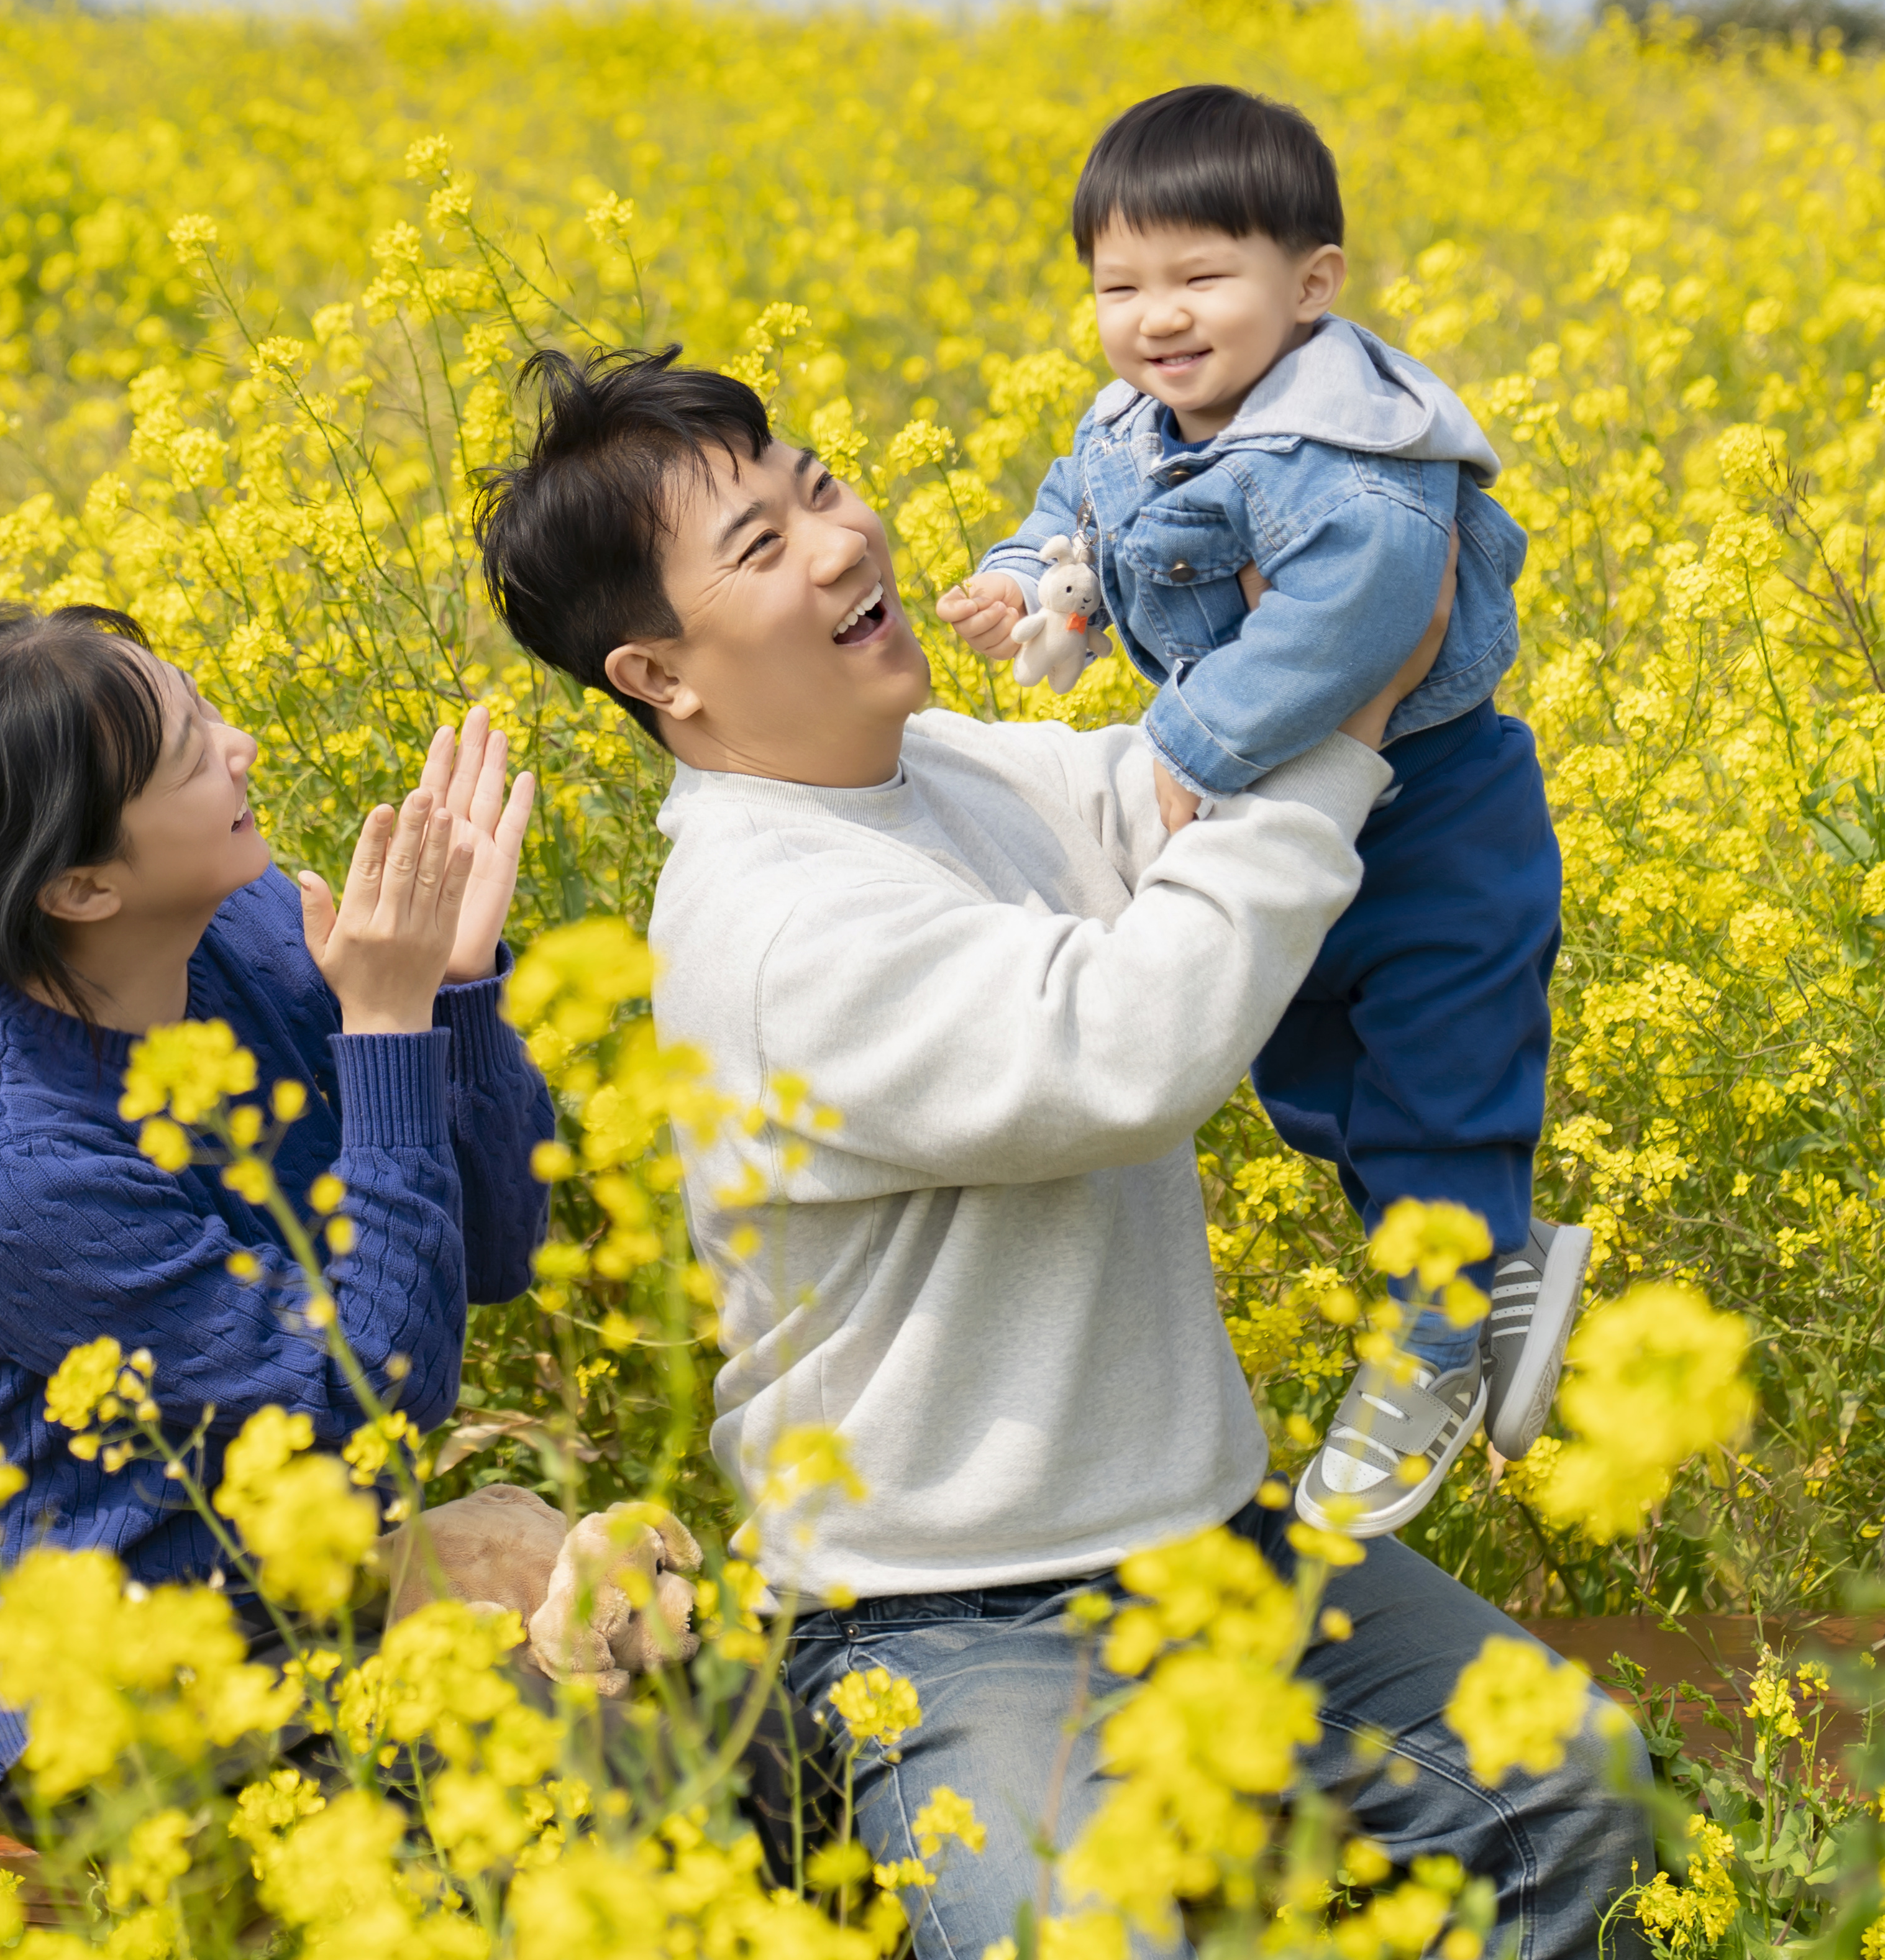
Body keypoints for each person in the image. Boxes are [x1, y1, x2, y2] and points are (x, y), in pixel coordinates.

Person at [475, 349, 1650, 1959]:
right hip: (948, 1618)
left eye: (819, 487)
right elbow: (1120, 1052)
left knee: (1561, 1789)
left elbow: (1150, 794)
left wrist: (1313, 585)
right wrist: (1345, 721)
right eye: (760, 546)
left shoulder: (932, 767)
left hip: (1201, 1542)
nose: (839, 543)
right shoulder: (771, 926)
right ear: (660, 678)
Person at [936, 83, 1589, 1539]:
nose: (1157, 317)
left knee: (1432, 1077)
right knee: (1304, 1072)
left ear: (1311, 285)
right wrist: (1028, 574)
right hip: (1288, 810)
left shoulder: (1348, 452)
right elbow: (1080, 504)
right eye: (1120, 285)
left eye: (1201, 277)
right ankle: (1502, 1259)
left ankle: (1431, 1343)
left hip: (1430, 814)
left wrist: (1185, 745)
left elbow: (1356, 617)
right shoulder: (1139, 421)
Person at [0, 601, 552, 1808]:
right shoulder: (11, 1165)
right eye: (195, 752)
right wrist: (388, 1024)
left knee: (672, 1670)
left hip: (299, 1587)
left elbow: (501, 1245)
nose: (242, 743)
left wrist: (452, 987)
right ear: (85, 885)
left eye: (203, 711)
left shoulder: (235, 931)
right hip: (118, 1698)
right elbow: (368, 1414)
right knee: (584, 1786)